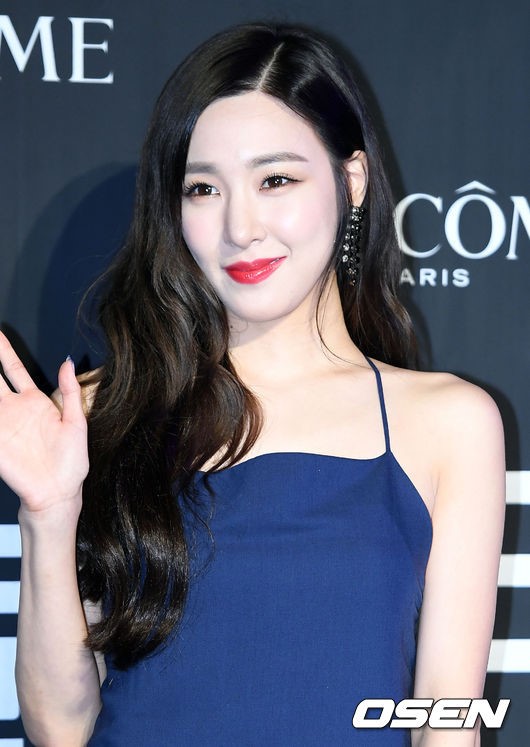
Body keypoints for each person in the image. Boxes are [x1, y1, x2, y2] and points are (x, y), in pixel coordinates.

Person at [0, 21, 505, 747]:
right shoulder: (99, 411)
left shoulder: (448, 423)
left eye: (276, 180)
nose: (241, 226)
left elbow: (447, 722)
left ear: (352, 181)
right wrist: (48, 513)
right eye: (204, 188)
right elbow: (60, 726)